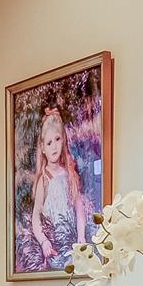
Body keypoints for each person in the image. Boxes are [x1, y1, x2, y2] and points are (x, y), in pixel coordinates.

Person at [24, 106, 91, 270]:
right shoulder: (44, 179)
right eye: (49, 143)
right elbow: (35, 217)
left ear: (63, 140)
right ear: (43, 149)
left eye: (57, 139)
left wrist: (81, 236)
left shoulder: (69, 175)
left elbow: (79, 208)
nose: (54, 146)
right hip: (54, 246)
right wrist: (44, 241)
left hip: (70, 243)